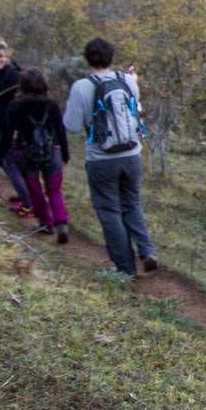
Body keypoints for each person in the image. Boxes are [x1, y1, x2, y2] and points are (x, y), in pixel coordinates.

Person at [62, 37, 160, 276]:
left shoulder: (81, 87)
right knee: (132, 203)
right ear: (111, 56)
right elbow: (135, 110)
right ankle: (147, 251)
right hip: (131, 155)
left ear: (86, 59)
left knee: (109, 210)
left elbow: (72, 126)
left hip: (101, 159)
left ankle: (125, 268)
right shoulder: (127, 80)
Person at [0, 68, 70, 242]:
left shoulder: (15, 105)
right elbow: (60, 131)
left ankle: (46, 222)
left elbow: (7, 134)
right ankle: (61, 223)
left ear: (22, 85)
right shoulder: (52, 104)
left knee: (34, 189)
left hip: (25, 153)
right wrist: (65, 154)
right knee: (54, 190)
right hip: (51, 152)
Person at [0, 37, 32, 215]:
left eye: (1, 56)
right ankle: (24, 194)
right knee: (10, 163)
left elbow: (1, 99)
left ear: (7, 57)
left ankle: (28, 202)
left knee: (7, 162)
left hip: (9, 126)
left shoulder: (12, 75)